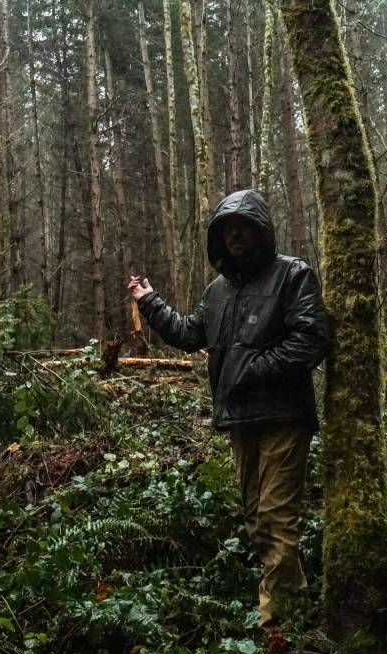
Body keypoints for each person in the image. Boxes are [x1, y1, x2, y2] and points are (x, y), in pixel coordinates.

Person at [127, 189, 330, 629]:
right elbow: (189, 333)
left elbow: (311, 339)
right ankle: (295, 604)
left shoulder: (292, 275)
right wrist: (150, 301)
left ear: (261, 232)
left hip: (283, 416)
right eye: (226, 229)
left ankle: (277, 625)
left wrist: (255, 367)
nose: (235, 236)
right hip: (241, 420)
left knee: (276, 520)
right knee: (258, 522)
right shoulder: (218, 290)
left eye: (243, 227)